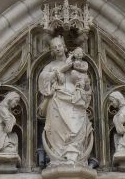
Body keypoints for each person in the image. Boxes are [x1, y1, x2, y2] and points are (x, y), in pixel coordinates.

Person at [38, 36, 93, 164]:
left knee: (76, 125)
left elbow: (85, 80)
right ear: (52, 51)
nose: (58, 49)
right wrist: (62, 69)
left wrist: (84, 85)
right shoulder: (50, 66)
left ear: (64, 47)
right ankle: (59, 154)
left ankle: (75, 154)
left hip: (75, 99)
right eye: (54, 47)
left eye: (59, 46)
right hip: (57, 99)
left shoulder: (76, 63)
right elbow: (43, 81)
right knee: (58, 128)